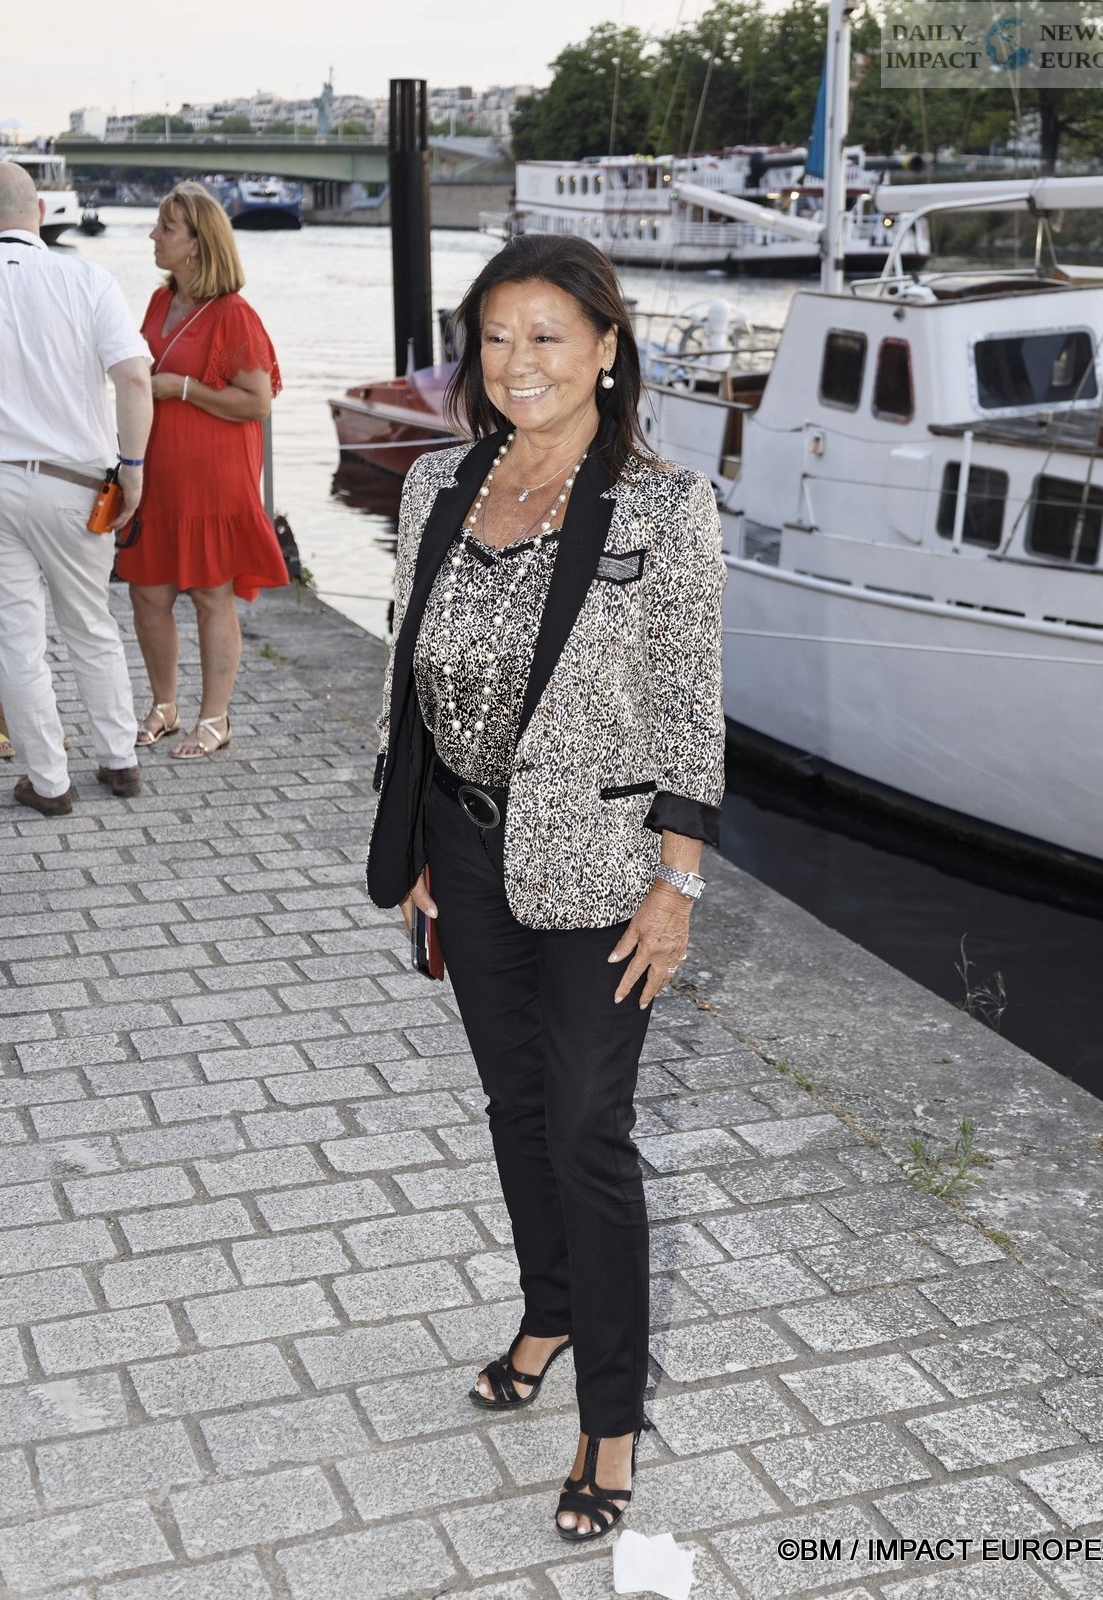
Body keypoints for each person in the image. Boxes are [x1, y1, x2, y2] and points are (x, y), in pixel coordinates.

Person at [366, 235, 724, 1541]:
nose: (518, 363)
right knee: (516, 1107)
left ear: (608, 350)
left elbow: (691, 711)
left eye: (548, 336)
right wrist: (410, 839)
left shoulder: (665, 509)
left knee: (586, 1128)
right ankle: (549, 1309)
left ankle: (609, 1420)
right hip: (462, 849)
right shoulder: (437, 483)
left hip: (603, 870)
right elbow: (406, 672)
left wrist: (678, 885)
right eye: (496, 337)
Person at [0, 161, 151, 816]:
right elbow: (133, 378)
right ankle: (119, 758)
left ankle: (48, 782)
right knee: (91, 622)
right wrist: (132, 466)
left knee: (15, 637)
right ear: (41, 213)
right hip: (78, 486)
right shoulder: (88, 279)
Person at [118, 182, 287, 759]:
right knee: (146, 594)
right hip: (157, 475)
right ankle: (164, 706)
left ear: (196, 243)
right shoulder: (159, 302)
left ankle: (214, 718)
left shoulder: (234, 315)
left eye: (166, 228)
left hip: (213, 481)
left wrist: (183, 389)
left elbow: (258, 402)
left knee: (211, 596)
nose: (154, 236)